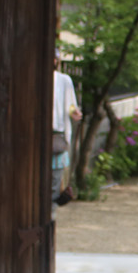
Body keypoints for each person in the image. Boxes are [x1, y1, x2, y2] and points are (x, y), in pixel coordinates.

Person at [52, 52, 82, 205]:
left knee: (55, 179)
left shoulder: (64, 80)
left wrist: (74, 112)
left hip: (57, 135)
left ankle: (51, 211)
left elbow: (71, 106)